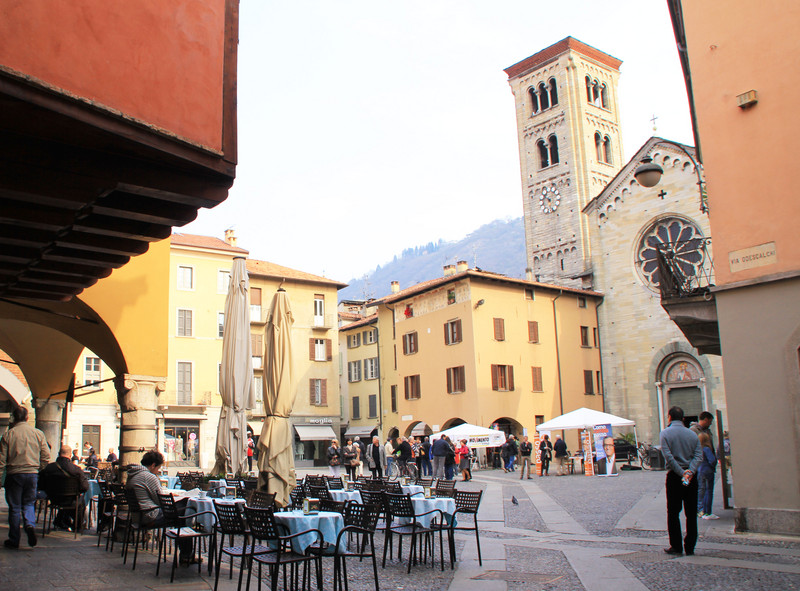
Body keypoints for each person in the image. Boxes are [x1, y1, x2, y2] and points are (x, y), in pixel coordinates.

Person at [126, 450, 196, 564]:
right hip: (150, 516)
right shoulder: (148, 476)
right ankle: (186, 554)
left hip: (138, 516)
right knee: (185, 508)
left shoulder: (133, 475)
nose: (158, 470)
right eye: (158, 467)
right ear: (153, 465)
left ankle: (186, 554)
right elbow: (161, 501)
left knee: (181, 514)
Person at [0, 406, 50, 549]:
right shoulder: (38, 434)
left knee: (15, 507)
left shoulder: (8, 435)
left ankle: (14, 539)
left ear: (14, 418)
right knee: (28, 503)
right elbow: (46, 456)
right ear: (27, 417)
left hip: (14, 474)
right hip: (32, 473)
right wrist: (37, 468)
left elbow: (1, 461)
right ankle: (29, 524)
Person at [660, 406, 702, 556]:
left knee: (673, 512)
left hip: (675, 477)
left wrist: (681, 472)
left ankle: (676, 546)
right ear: (683, 418)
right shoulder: (692, 435)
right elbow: (698, 455)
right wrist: (689, 472)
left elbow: (668, 457)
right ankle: (690, 546)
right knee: (691, 513)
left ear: (669, 417)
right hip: (690, 479)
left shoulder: (665, 433)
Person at [39, 444, 89, 531]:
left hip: (53, 499)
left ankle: (61, 520)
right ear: (70, 455)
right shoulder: (76, 470)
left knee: (65, 500)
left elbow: (40, 484)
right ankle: (77, 525)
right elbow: (85, 487)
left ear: (58, 454)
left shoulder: (48, 468)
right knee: (80, 501)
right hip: (71, 500)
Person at [697, 433, 719, 519]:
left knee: (701, 490)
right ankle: (707, 511)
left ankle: (700, 510)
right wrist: (712, 466)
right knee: (709, 491)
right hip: (708, 471)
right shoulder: (706, 449)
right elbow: (712, 460)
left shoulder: (698, 449)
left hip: (700, 471)